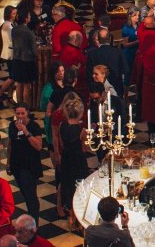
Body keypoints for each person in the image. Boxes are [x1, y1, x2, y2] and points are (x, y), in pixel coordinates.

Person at [56, 95, 92, 228]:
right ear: (80, 113)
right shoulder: (82, 130)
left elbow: (61, 143)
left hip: (66, 159)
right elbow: (85, 148)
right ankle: (76, 217)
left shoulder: (61, 125)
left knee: (67, 185)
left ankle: (70, 216)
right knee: (79, 186)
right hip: (78, 160)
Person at [8, 104, 46, 219]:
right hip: (16, 165)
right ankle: (31, 217)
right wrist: (8, 163)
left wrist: (25, 131)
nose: (20, 116)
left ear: (27, 113)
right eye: (18, 113)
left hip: (30, 166)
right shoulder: (11, 125)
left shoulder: (34, 126)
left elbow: (38, 146)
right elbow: (10, 144)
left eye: (22, 113)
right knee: (24, 192)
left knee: (31, 196)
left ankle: (34, 221)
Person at [9, 9, 39, 105]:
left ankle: (19, 105)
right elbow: (34, 50)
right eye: (29, 16)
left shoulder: (14, 29)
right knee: (27, 85)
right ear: (26, 19)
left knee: (19, 84)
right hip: (27, 61)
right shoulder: (29, 32)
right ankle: (26, 108)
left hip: (17, 60)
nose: (30, 17)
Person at [88, 27, 130, 94]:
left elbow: (89, 72)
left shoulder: (92, 54)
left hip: (98, 89)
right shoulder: (118, 52)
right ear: (110, 39)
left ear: (98, 39)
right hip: (116, 87)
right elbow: (126, 70)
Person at [43, 64, 74, 144]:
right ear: (53, 73)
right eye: (58, 71)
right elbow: (46, 108)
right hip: (54, 119)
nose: (61, 73)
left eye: (62, 70)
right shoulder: (49, 88)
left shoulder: (66, 86)